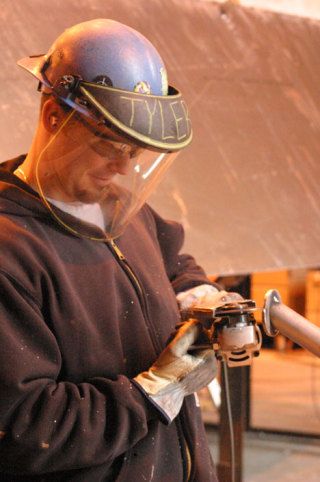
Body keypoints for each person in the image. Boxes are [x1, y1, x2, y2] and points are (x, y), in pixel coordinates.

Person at [0, 19, 240, 481]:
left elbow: (174, 264)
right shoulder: (11, 252)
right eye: (109, 145)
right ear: (54, 117)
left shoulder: (118, 210)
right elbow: (22, 427)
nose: (124, 169)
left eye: (136, 152)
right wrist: (153, 393)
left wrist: (201, 297)